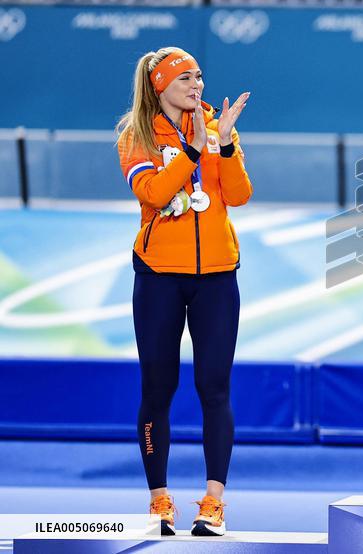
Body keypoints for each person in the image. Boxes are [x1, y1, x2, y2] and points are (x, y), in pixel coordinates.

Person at [116, 47, 252, 536]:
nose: (196, 86)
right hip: (158, 277)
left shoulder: (217, 128)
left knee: (214, 390)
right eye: (185, 79)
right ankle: (159, 500)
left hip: (217, 274)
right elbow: (152, 194)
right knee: (158, 389)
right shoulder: (136, 136)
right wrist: (193, 151)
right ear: (161, 87)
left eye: (199, 76)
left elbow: (238, 195)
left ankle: (213, 503)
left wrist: (227, 145)